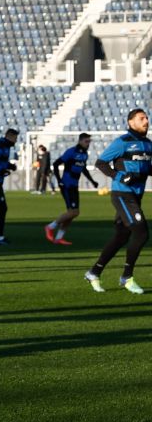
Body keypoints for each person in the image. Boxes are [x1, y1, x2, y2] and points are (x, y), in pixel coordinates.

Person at [84, 109, 152, 294]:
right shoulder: (122, 142)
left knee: (122, 236)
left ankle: (93, 272)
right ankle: (127, 277)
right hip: (122, 194)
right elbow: (101, 163)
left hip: (136, 195)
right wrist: (120, 177)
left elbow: (147, 169)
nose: (146, 121)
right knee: (141, 233)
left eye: (146, 118)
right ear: (131, 122)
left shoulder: (148, 144)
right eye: (142, 118)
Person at [46, 133, 98, 245]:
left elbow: (83, 169)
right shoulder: (71, 152)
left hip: (74, 185)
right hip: (67, 185)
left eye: (89, 142)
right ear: (80, 141)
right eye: (86, 141)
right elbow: (56, 164)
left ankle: (59, 238)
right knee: (73, 212)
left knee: (73, 213)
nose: (88, 144)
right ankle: (50, 227)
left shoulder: (84, 154)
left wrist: (92, 181)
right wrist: (59, 180)